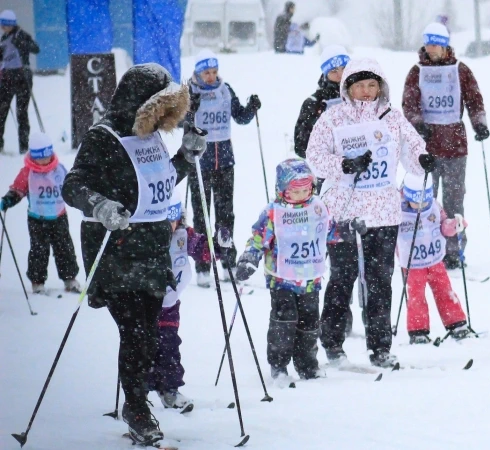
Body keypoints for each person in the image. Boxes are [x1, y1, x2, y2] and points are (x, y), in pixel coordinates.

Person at [62, 63, 204, 445]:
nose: (163, 117)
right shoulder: (103, 136)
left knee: (149, 333)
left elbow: (156, 183)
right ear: (141, 103)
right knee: (137, 332)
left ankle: (136, 397)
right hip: (117, 252)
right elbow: (73, 185)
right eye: (158, 108)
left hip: (152, 251)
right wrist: (99, 204)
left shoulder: (152, 136)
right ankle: (137, 407)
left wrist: (185, 160)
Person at [306, 57, 432, 368]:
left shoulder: (392, 117)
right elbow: (314, 157)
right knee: (342, 278)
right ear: (347, 87)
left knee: (379, 282)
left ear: (381, 87)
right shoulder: (332, 119)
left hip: (383, 213)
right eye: (360, 85)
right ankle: (333, 342)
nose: (366, 91)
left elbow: (413, 146)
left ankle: (380, 347)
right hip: (345, 212)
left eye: (372, 85)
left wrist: (423, 159)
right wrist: (344, 165)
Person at [401, 23, 489, 270]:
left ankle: (454, 249)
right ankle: (424, 247)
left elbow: (474, 99)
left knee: (453, 201)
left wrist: (479, 124)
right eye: (428, 44)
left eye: (437, 44)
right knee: (424, 200)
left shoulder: (460, 70)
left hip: (455, 145)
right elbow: (409, 104)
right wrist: (418, 124)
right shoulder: (416, 71)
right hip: (426, 147)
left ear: (445, 45)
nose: (432, 49)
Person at [235, 159, 329, 382]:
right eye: (297, 191)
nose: (303, 194)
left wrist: (349, 227)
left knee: (309, 323)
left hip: (309, 278)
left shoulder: (317, 207)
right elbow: (258, 239)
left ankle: (307, 365)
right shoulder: (273, 212)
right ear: (283, 189)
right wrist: (249, 258)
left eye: (307, 189)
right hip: (282, 278)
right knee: (283, 322)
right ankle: (279, 366)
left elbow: (329, 230)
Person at [187, 50, 260, 286]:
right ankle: (202, 264)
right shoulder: (189, 91)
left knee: (226, 214)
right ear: (198, 73)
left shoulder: (225, 89)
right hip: (199, 160)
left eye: (214, 71)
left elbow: (239, 116)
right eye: (206, 72)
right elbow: (177, 121)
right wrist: (190, 110)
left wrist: (251, 108)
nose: (211, 76)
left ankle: (227, 259)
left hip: (225, 161)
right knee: (202, 214)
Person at [148, 199, 214, 411]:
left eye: (173, 220)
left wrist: (218, 245)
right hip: (143, 306)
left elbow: (203, 248)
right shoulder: (142, 236)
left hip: (169, 307)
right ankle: (138, 396)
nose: (169, 226)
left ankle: (170, 390)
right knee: (141, 349)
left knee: (169, 348)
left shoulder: (184, 236)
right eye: (164, 220)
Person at [0, 132, 80, 294]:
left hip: (59, 216)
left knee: (64, 248)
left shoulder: (59, 169)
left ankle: (70, 278)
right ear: (33, 157)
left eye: (47, 156)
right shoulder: (28, 172)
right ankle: (37, 281)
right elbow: (18, 189)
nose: (44, 161)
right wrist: (10, 198)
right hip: (37, 218)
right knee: (39, 250)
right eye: (40, 158)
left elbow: (69, 186)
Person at [397, 173, 472, 344]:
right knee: (416, 296)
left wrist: (454, 226)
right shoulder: (398, 210)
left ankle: (456, 323)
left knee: (445, 290)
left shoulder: (434, 206)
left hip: (435, 259)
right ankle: (418, 331)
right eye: (417, 202)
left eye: (425, 201)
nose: (421, 206)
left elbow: (443, 226)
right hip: (413, 264)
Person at [294, 45, 349, 195]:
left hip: (358, 170)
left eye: (344, 68)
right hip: (326, 177)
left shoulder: (361, 95)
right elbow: (300, 145)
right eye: (334, 71)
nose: (340, 75)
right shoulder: (314, 103)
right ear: (325, 74)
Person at [0, 10, 39, 155]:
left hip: (22, 76)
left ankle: (23, 148)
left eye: (4, 25)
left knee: (21, 112)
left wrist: (23, 44)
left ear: (10, 24)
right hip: (7, 77)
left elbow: (36, 49)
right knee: (1, 111)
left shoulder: (21, 35)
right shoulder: (4, 38)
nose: (3, 28)